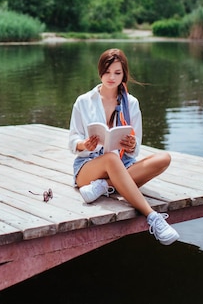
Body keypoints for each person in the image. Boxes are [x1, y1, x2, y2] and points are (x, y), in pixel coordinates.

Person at [68, 48, 179, 245]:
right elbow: (72, 140)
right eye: (107, 71)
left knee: (164, 158)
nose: (111, 77)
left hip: (122, 164)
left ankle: (104, 186)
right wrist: (83, 144)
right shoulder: (84, 101)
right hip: (88, 168)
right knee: (110, 158)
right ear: (100, 71)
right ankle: (153, 217)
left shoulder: (132, 104)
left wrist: (131, 144)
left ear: (124, 74)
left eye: (117, 73)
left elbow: (136, 149)